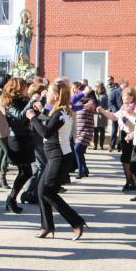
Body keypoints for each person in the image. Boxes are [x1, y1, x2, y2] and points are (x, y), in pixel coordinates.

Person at [28, 82, 86, 239]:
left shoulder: (60, 114)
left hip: (59, 157)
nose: (46, 94)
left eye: (48, 92)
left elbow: (46, 132)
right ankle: (47, 226)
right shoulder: (59, 112)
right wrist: (42, 110)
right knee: (41, 191)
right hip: (55, 157)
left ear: (55, 96)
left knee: (48, 192)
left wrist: (32, 118)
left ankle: (76, 222)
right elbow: (48, 121)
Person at [2, 77, 35, 213]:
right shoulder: (9, 103)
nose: (26, 88)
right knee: (26, 172)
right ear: (18, 88)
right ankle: (11, 199)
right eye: (24, 86)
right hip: (17, 139)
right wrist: (31, 102)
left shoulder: (23, 100)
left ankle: (11, 199)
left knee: (25, 172)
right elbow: (20, 117)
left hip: (25, 138)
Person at [97, 87, 136, 191]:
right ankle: (129, 181)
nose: (124, 98)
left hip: (133, 135)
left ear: (132, 97)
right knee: (124, 159)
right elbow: (114, 116)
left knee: (132, 160)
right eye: (123, 96)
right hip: (123, 134)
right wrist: (103, 111)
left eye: (127, 96)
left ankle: (134, 182)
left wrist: (130, 116)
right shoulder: (123, 107)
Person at [71, 84, 97, 179]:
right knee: (80, 151)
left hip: (87, 130)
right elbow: (71, 104)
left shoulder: (90, 101)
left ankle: (80, 171)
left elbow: (89, 106)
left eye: (80, 91)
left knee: (77, 149)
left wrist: (78, 98)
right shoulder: (78, 101)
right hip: (79, 130)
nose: (78, 93)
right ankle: (85, 169)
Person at [107, 76, 122, 151]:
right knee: (114, 129)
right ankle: (112, 145)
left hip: (123, 113)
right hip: (115, 112)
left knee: (122, 130)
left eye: (109, 80)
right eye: (108, 80)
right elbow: (111, 102)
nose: (108, 81)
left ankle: (120, 146)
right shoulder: (112, 89)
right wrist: (115, 111)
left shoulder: (120, 89)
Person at [93, 81, 109, 150]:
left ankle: (96, 145)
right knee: (100, 131)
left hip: (99, 115)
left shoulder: (102, 96)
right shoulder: (103, 95)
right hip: (100, 115)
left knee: (97, 131)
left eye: (95, 87)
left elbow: (102, 106)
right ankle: (99, 145)